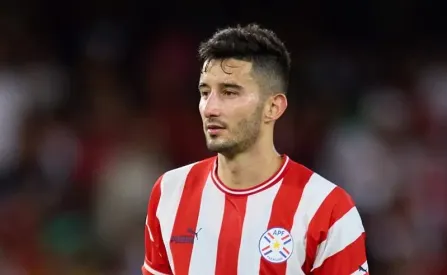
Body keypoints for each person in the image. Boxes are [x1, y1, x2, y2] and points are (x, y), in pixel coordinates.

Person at [142, 24, 369, 275]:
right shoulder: (169, 192)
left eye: (229, 92)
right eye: (205, 92)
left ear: (273, 107)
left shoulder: (328, 208)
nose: (210, 108)